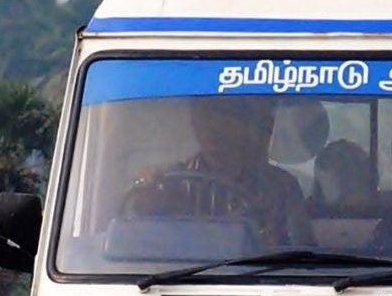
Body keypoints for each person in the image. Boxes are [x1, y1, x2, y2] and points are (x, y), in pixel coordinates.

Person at [125, 96, 314, 247]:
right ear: (194, 122)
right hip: (182, 281)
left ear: (244, 125)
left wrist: (272, 245)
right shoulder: (168, 183)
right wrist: (146, 202)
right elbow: (137, 244)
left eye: (224, 117)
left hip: (257, 279)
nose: (212, 128)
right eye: (205, 117)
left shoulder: (281, 188)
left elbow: (303, 256)